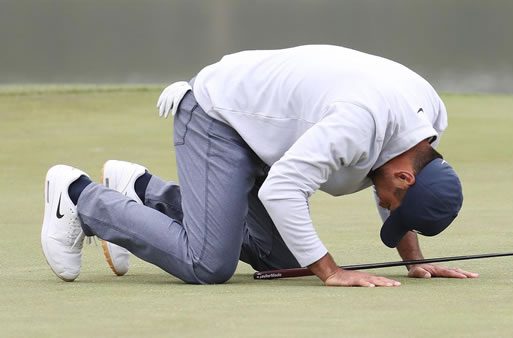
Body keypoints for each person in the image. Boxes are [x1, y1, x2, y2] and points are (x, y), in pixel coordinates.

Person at [41, 45, 478, 287]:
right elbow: (282, 190)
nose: (384, 205)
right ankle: (79, 196)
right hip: (220, 114)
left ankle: (140, 190)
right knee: (208, 264)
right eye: (395, 206)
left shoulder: (425, 124)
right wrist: (330, 272)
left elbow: (394, 187)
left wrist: (415, 261)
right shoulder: (359, 123)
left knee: (285, 259)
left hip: (267, 134)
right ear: (406, 177)